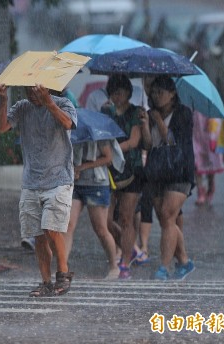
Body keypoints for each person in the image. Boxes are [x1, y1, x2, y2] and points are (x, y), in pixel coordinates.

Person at [0, 83, 76, 297]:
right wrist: (3, 100)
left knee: (51, 228)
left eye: (37, 90)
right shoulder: (22, 107)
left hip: (59, 178)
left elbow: (68, 124)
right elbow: (0, 128)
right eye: (28, 90)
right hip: (31, 180)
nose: (33, 95)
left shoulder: (63, 103)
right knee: (37, 234)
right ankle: (46, 281)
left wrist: (48, 102)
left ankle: (64, 273)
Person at [142, 75, 195, 281]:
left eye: (160, 93)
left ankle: (163, 267)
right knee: (166, 219)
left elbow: (173, 143)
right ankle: (184, 261)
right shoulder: (151, 113)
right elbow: (148, 145)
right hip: (156, 171)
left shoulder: (183, 114)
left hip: (180, 171)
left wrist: (158, 121)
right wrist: (147, 123)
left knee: (167, 213)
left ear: (172, 94)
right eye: (153, 92)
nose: (156, 96)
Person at [100, 74, 147, 279]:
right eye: (113, 93)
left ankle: (125, 261)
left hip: (132, 170)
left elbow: (135, 141)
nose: (117, 97)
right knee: (106, 220)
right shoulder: (106, 112)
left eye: (120, 92)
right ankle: (131, 247)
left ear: (128, 92)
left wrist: (114, 150)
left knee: (126, 217)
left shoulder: (136, 112)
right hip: (110, 171)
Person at [65, 139, 119, 280]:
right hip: (75, 184)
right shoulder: (72, 131)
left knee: (101, 229)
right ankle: (62, 268)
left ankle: (114, 266)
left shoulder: (97, 132)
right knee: (68, 226)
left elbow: (108, 158)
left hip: (96, 184)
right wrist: (73, 169)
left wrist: (83, 167)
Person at [192, 110, 224, 205]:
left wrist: (214, 137)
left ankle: (211, 186)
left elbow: (216, 121)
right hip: (195, 137)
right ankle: (200, 192)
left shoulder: (210, 105)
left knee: (210, 165)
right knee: (196, 165)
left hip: (208, 137)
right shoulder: (192, 104)